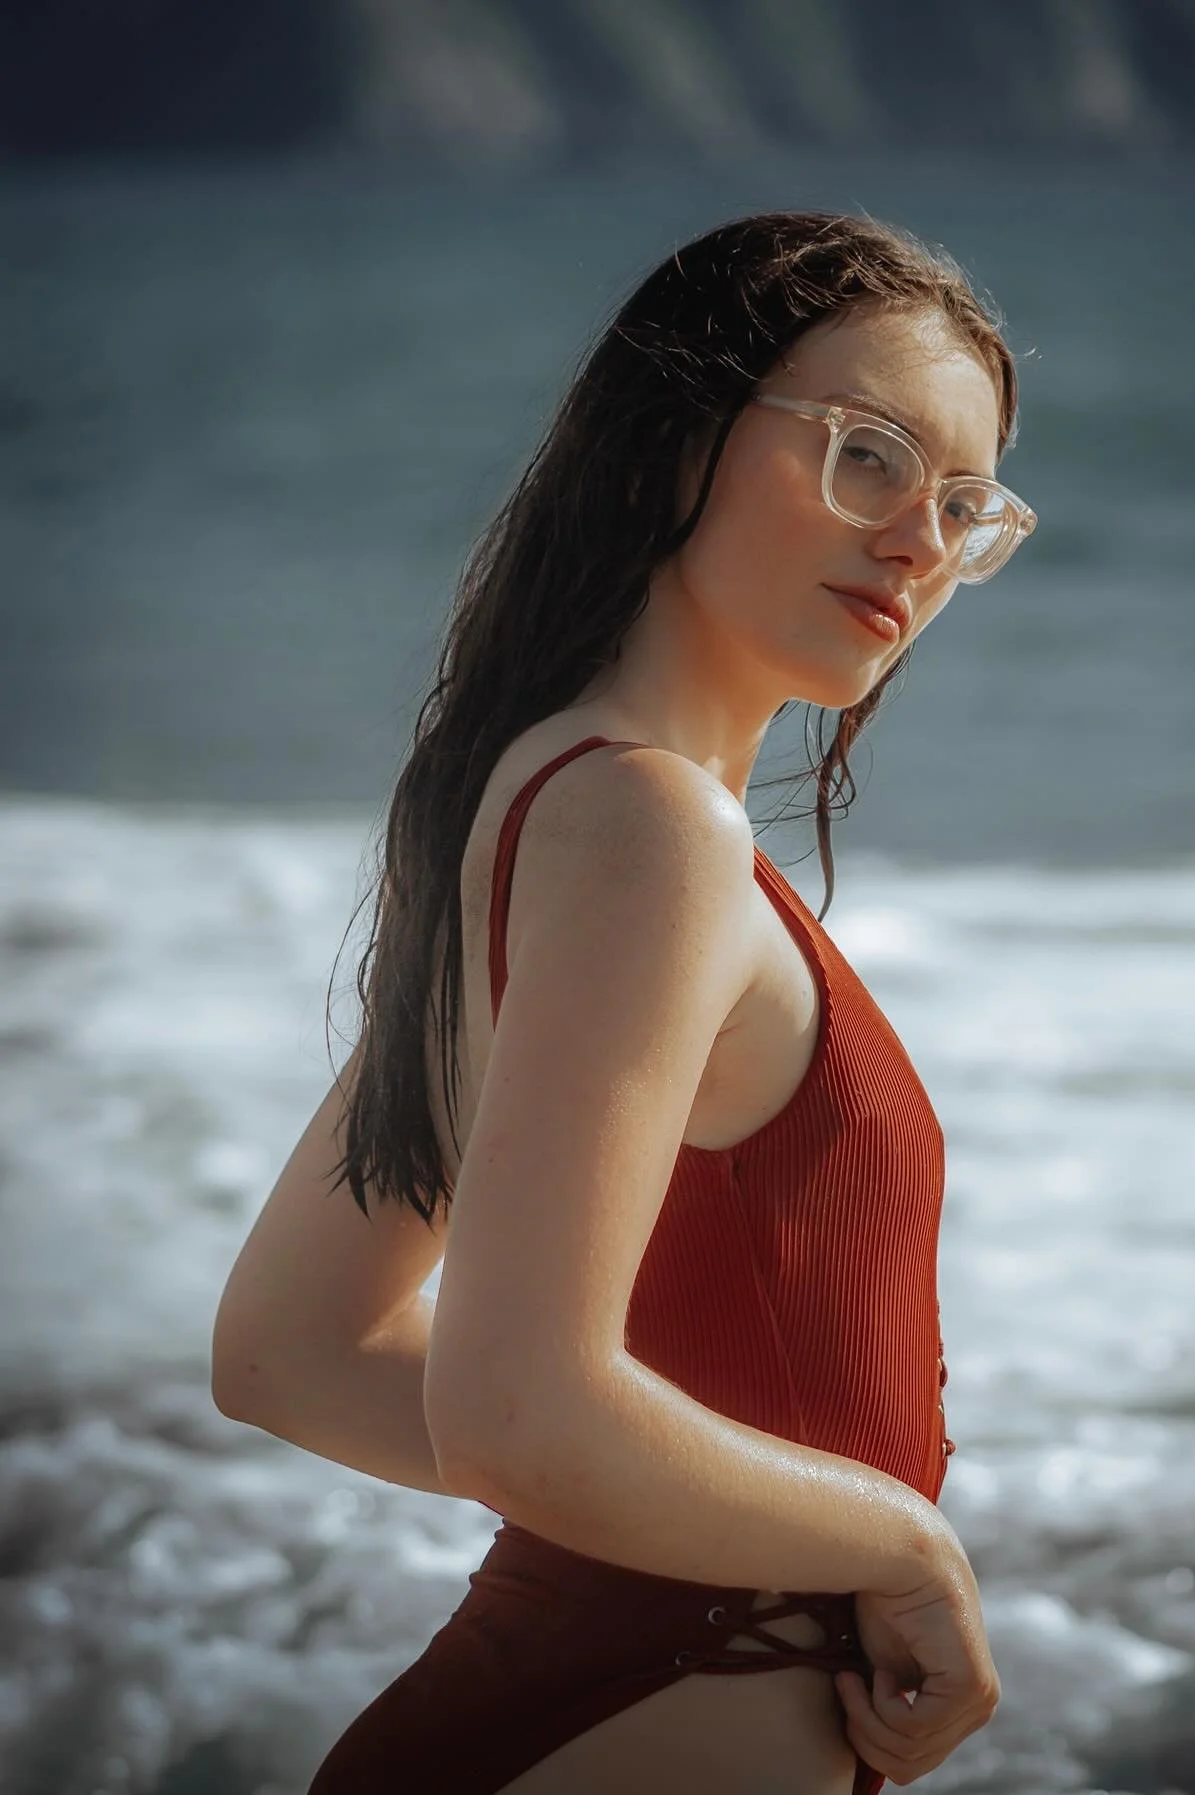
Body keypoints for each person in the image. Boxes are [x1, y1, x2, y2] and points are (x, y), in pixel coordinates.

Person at [211, 209, 1035, 1794]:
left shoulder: (547, 812)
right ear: (678, 438)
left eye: (963, 503)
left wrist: (665, 1493)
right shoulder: (650, 829)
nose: (921, 540)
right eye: (868, 456)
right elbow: (517, 1408)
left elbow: (292, 1349)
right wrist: (899, 1540)